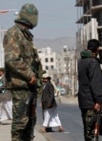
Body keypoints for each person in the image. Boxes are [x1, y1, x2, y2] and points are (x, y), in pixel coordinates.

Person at [3, 3, 42, 140]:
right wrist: (30, 74)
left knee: (29, 124)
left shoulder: (25, 35)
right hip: (20, 85)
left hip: (28, 87)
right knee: (20, 125)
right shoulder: (14, 33)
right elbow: (12, 59)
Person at [77, 39, 102, 141]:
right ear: (97, 49)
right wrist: (98, 100)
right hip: (91, 102)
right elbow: (95, 83)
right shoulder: (93, 62)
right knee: (92, 133)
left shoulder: (81, 61)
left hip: (83, 101)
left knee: (87, 132)